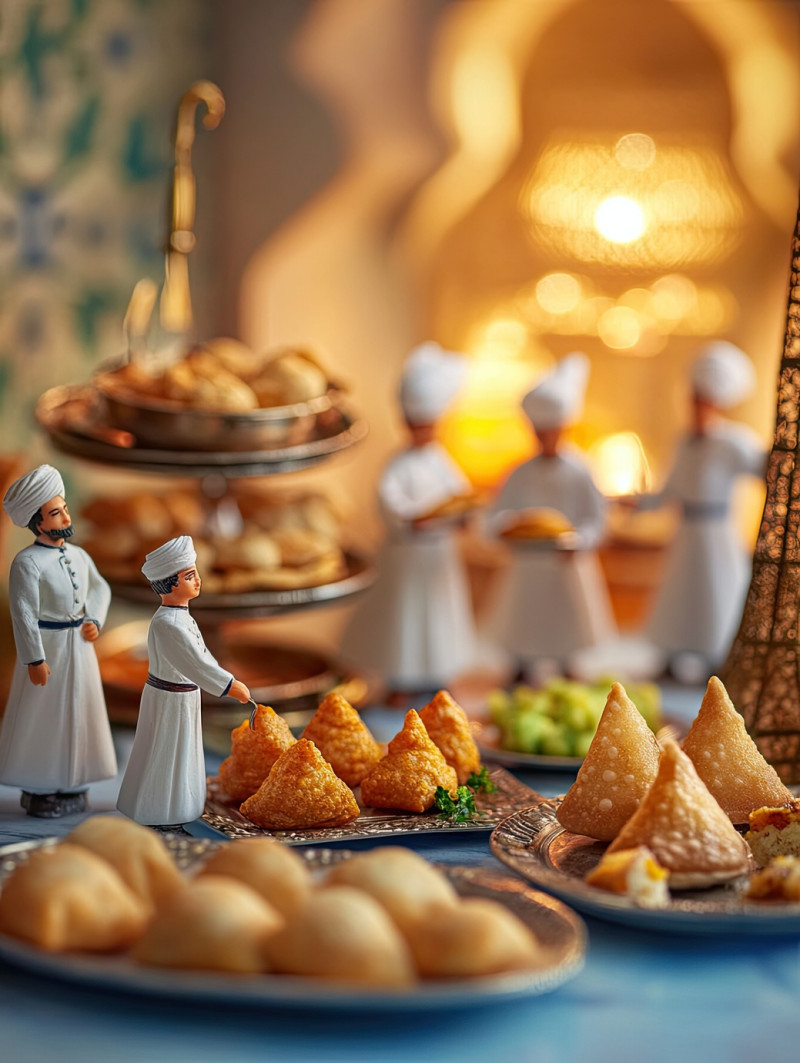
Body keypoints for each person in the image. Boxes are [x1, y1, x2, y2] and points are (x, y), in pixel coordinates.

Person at [339, 341, 477, 703]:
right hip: (404, 555)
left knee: (438, 616)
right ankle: (399, 680)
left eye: (427, 426)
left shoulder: (441, 460)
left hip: (437, 555)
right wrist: (412, 520)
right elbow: (389, 503)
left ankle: (438, 677)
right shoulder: (397, 464)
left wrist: (462, 517)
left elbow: (460, 495)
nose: (422, 432)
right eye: (416, 426)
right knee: (403, 619)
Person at [634, 341, 765, 683]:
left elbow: (765, 469)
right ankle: (673, 653)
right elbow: (669, 489)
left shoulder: (734, 441)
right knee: (680, 592)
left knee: (716, 592)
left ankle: (717, 657)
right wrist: (641, 504)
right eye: (694, 399)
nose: (697, 407)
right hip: (686, 530)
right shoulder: (683, 442)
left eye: (704, 400)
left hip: (717, 531)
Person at [484, 353, 616, 684]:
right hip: (527, 565)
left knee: (564, 621)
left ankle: (566, 664)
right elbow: (496, 514)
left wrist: (580, 540)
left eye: (551, 431)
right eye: (540, 432)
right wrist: (508, 527)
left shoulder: (581, 470)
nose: (545, 439)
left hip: (565, 564)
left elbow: (596, 518)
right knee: (524, 618)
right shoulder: (520, 473)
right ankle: (521, 664)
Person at [0, 463, 117, 817]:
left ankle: (74, 780)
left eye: (64, 508)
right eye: (55, 513)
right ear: (38, 523)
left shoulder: (80, 555)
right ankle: (42, 785)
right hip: (49, 648)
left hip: (80, 646)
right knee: (45, 716)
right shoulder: (27, 562)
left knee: (82, 709)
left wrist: (94, 618)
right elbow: (23, 612)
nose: (66, 516)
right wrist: (34, 659)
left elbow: (100, 588)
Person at [116, 536, 251, 828]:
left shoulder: (183, 618)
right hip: (170, 699)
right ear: (171, 584)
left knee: (182, 751)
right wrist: (230, 685)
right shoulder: (168, 624)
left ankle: (180, 807)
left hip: (183, 697)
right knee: (167, 752)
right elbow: (195, 663)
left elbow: (203, 657)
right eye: (190, 576)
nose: (199, 580)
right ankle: (162, 813)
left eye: (196, 573)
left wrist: (224, 679)